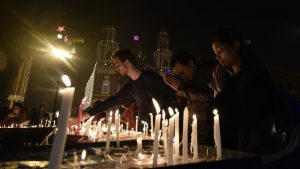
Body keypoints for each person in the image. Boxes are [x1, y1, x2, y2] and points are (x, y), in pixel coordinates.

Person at [209, 28, 279, 154]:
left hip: (249, 147)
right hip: (230, 146)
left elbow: (245, 115)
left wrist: (222, 91)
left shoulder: (256, 75)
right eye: (215, 54)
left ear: (235, 46)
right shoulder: (230, 77)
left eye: (220, 51)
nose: (218, 57)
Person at [69, 48, 178, 125]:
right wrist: (81, 117)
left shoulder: (151, 77)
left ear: (127, 62)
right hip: (145, 128)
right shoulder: (130, 88)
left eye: (117, 64)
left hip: (165, 126)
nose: (116, 68)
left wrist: (173, 120)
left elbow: (172, 95)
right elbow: (110, 102)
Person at [164, 50, 215, 144]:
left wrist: (181, 87)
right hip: (192, 129)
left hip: (207, 131)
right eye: (178, 75)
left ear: (191, 63)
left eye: (182, 73)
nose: (181, 77)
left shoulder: (207, 70)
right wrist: (177, 90)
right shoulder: (187, 80)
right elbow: (183, 105)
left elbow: (208, 96)